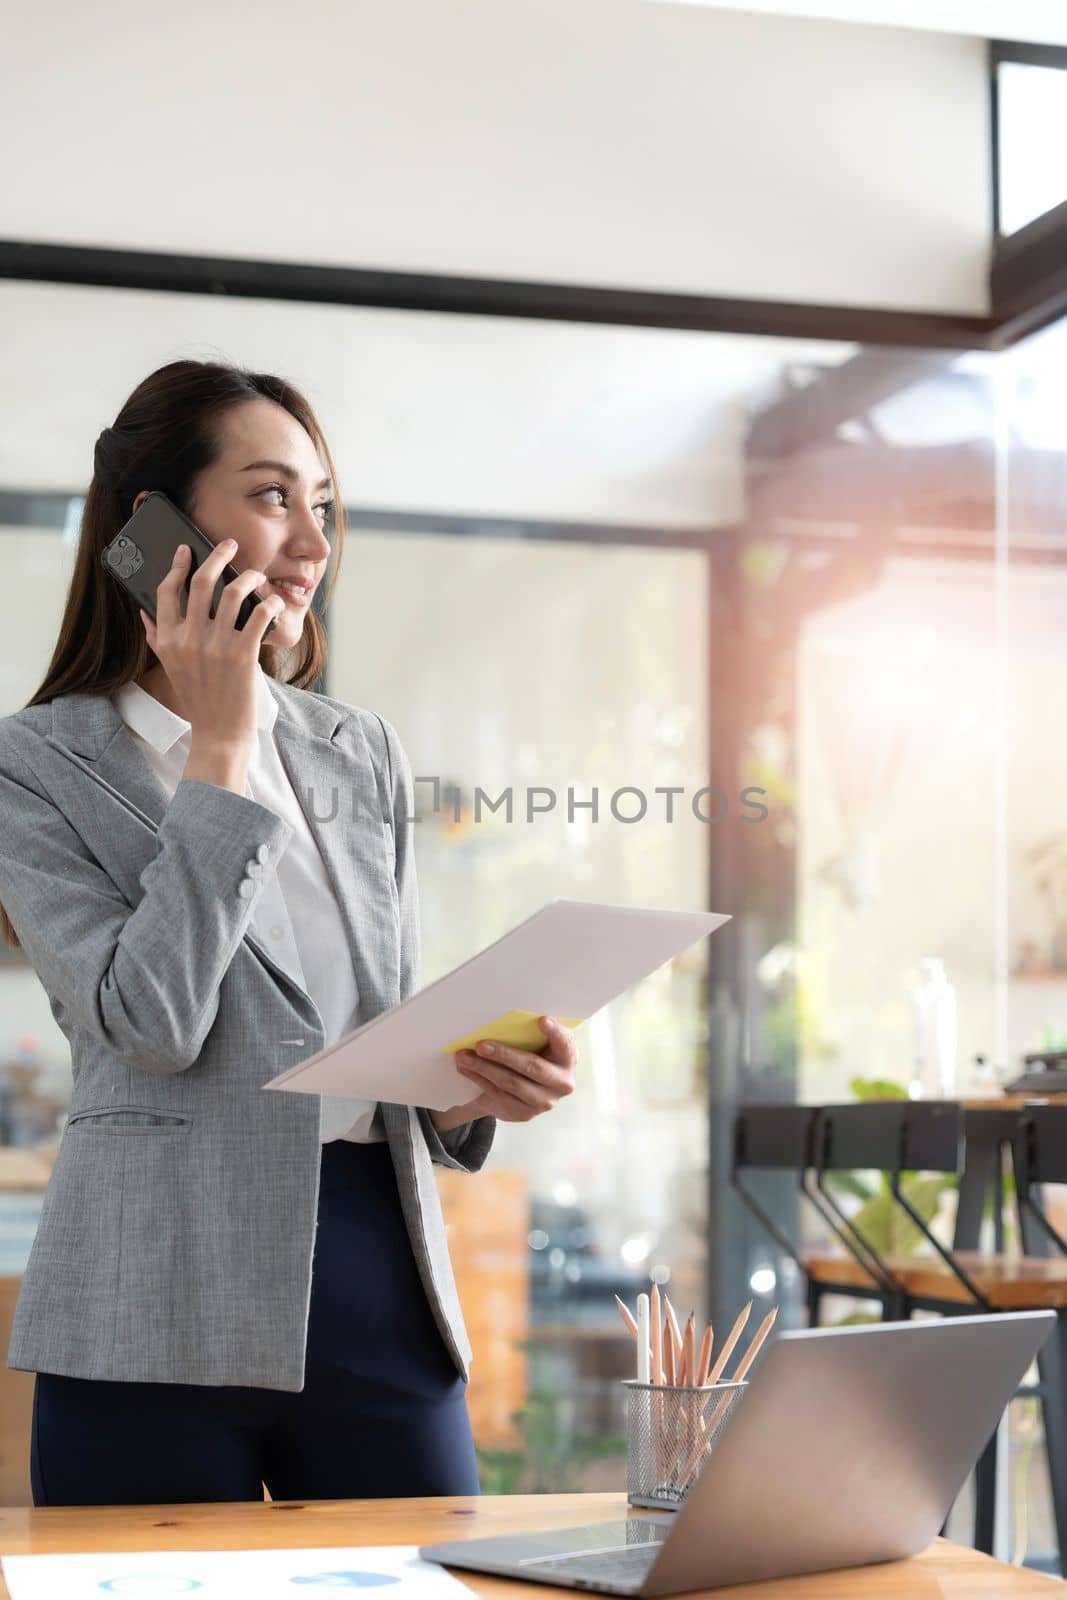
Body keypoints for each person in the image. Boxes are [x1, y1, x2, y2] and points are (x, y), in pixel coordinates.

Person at [0, 359, 579, 1506]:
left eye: (322, 505)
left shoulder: (356, 748)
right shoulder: (38, 762)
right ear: (152, 529)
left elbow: (377, 1030)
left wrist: (474, 1091)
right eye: (272, 498)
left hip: (376, 1274)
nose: (311, 544)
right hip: (150, 1294)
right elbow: (147, 1025)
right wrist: (219, 750)